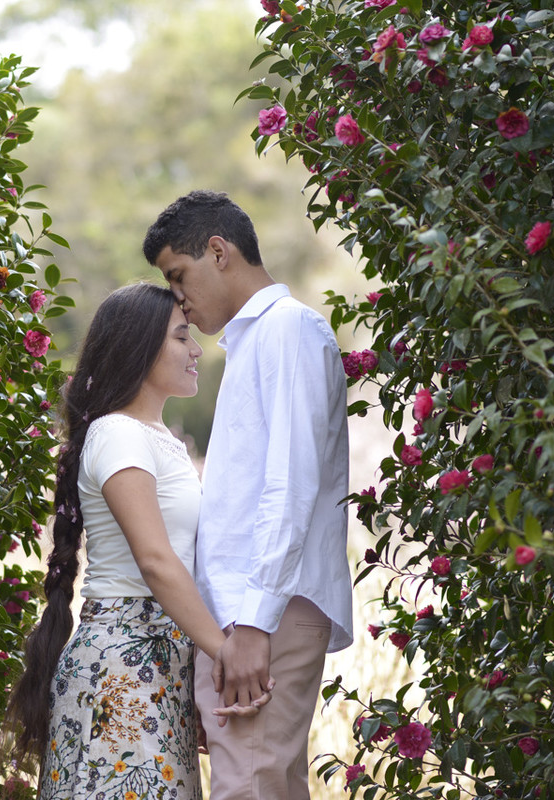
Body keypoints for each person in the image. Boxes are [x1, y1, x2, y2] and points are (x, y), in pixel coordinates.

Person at [1, 282, 264, 799]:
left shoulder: (159, 439)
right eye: (182, 337)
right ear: (139, 346)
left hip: (158, 662)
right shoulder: (118, 434)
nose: (196, 350)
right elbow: (155, 560)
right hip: (122, 664)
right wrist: (227, 651)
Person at [143, 190, 354, 799]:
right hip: (245, 617)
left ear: (218, 251)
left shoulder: (287, 331)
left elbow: (290, 486)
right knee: (265, 784)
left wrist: (253, 629)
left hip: (267, 613)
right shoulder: (251, 343)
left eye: (178, 275)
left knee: (250, 787)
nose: (177, 296)